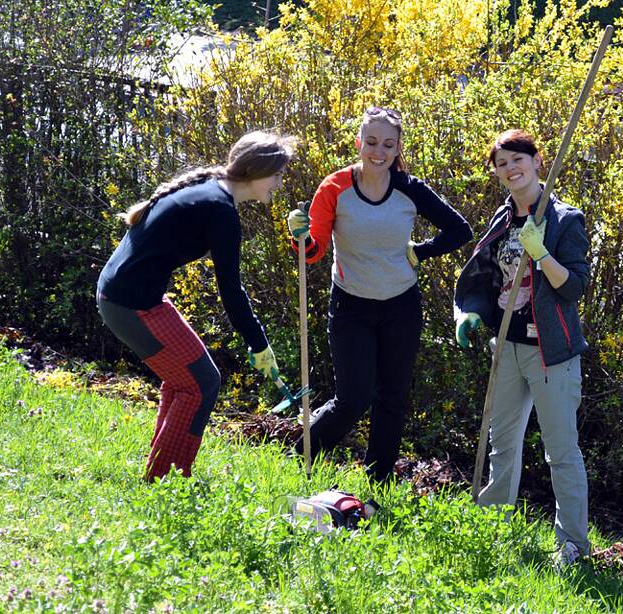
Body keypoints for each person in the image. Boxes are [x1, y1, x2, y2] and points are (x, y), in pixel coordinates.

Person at [97, 130, 298, 481]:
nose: (279, 184)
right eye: (278, 175)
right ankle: (167, 478)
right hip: (130, 304)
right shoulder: (220, 211)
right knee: (202, 383)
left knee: (187, 380)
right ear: (257, 171)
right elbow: (231, 290)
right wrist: (259, 344)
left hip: (126, 296)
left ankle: (161, 472)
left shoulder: (210, 189)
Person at [286, 106, 472, 482]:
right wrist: (300, 236)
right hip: (350, 304)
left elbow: (460, 230)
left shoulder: (410, 188)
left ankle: (379, 481)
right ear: (359, 142)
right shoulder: (335, 187)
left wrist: (421, 251)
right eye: (371, 142)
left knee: (392, 398)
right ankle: (300, 457)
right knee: (352, 399)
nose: (379, 151)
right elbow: (314, 252)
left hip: (401, 306)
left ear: (398, 147)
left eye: (388, 144)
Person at [453, 128, 591, 567]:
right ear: (496, 172)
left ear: (536, 161)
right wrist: (472, 312)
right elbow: (487, 277)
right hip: (507, 347)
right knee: (503, 445)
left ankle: (572, 545)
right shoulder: (503, 218)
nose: (511, 168)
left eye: (518, 158)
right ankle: (493, 526)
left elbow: (575, 287)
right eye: (502, 163)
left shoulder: (565, 219)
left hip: (551, 353)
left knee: (561, 452)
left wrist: (542, 254)